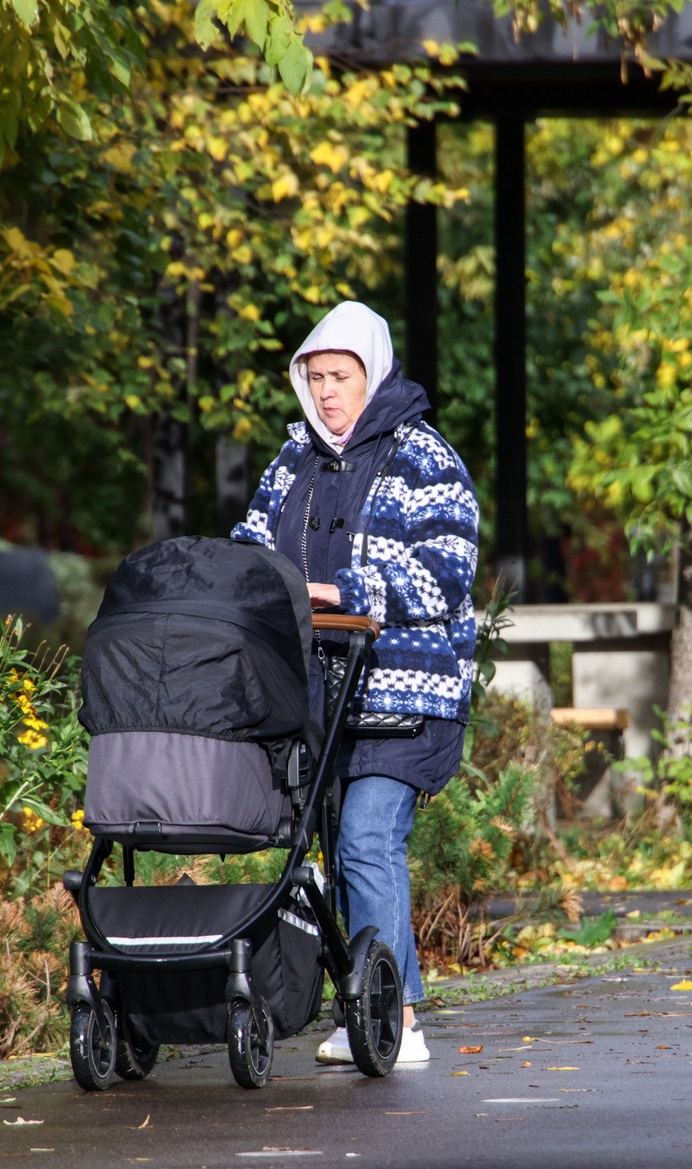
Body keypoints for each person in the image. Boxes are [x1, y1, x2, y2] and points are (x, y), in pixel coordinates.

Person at [232, 300, 479, 1066]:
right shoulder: (293, 462)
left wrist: (348, 589)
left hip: (407, 695)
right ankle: (360, 1010)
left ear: (373, 372)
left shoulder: (424, 458)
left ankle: (399, 1016)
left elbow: (446, 568)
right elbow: (249, 546)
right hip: (315, 693)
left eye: (341, 375)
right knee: (335, 854)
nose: (328, 390)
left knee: (370, 839)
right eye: (316, 377)